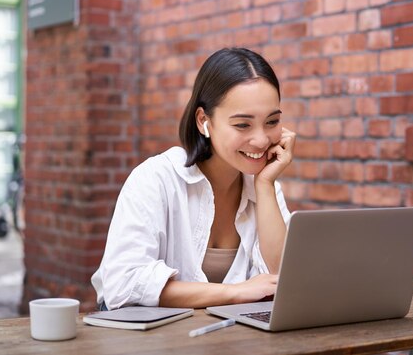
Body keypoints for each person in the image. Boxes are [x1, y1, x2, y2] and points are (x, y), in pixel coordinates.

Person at [91, 47, 296, 309]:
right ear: (203, 121)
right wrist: (234, 292)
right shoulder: (156, 179)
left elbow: (282, 280)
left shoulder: (264, 187)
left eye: (272, 121)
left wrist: (266, 185)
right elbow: (124, 283)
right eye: (243, 125)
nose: (261, 139)